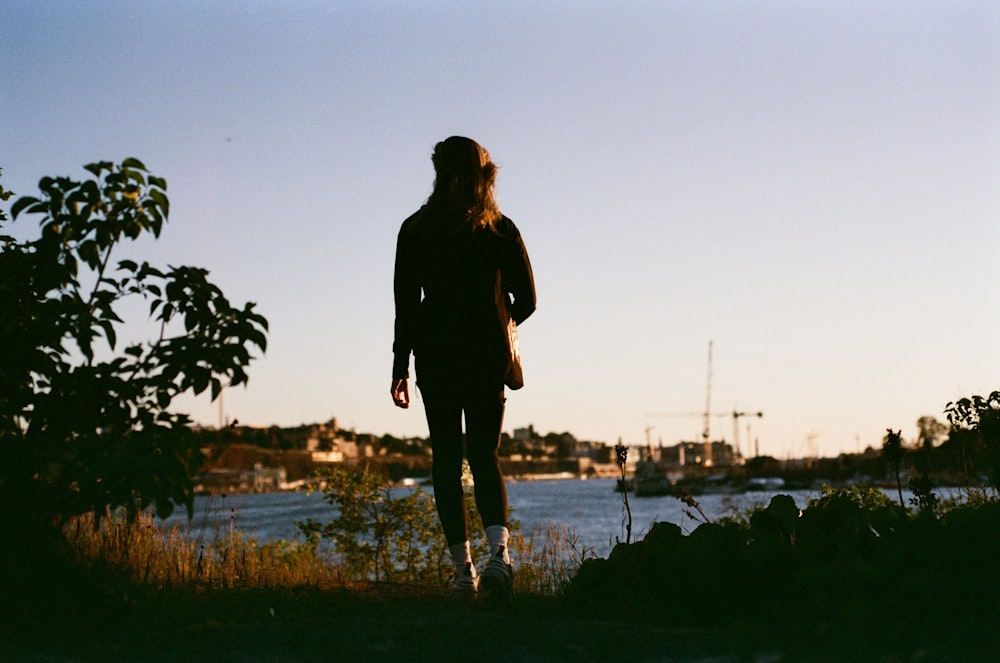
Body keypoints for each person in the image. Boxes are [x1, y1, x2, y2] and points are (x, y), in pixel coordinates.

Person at [390, 136, 536, 602]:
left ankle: (462, 572)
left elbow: (406, 307)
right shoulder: (499, 229)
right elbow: (528, 300)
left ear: (438, 171)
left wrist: (399, 366)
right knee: (484, 455)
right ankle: (500, 559)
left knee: (447, 461)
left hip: (436, 357)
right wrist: (499, 314)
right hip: (486, 355)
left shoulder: (415, 229)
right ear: (484, 175)